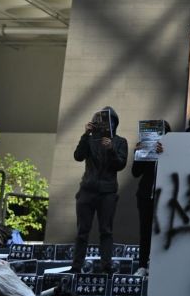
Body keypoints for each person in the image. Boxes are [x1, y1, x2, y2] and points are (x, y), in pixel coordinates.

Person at [71, 107, 128, 274]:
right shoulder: (90, 140)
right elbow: (78, 156)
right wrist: (85, 135)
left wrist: (111, 149)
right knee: (82, 231)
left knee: (106, 231)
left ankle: (106, 267)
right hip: (87, 189)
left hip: (108, 192)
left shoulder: (120, 141)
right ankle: (76, 266)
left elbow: (120, 165)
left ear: (114, 124)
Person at [131, 120, 170, 276]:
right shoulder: (145, 148)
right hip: (145, 194)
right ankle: (142, 265)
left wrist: (165, 153)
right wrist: (138, 154)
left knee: (162, 230)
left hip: (165, 195)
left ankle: (159, 264)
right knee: (145, 230)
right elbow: (135, 173)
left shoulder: (170, 149)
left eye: (162, 132)